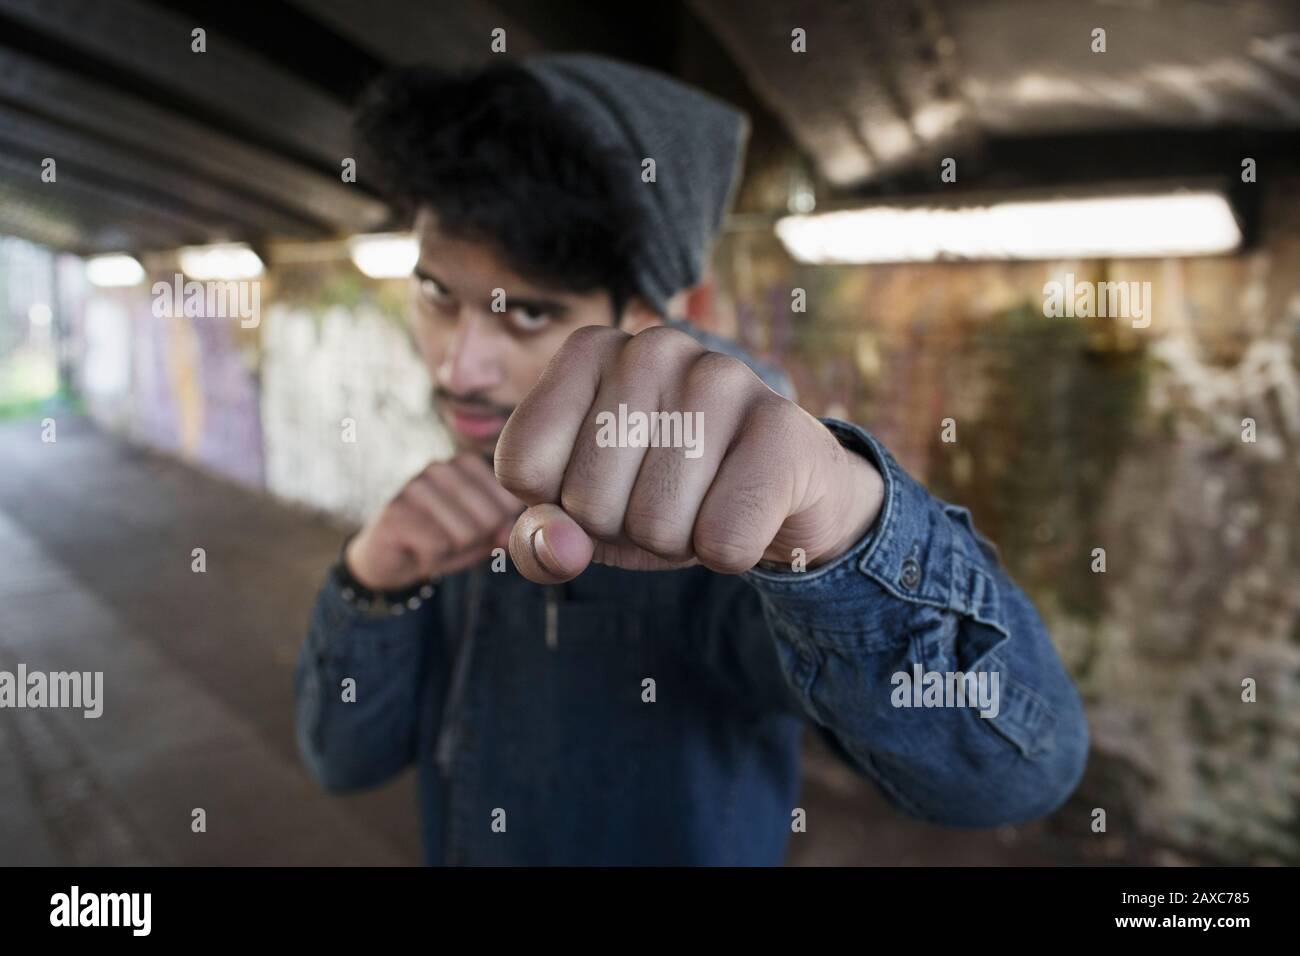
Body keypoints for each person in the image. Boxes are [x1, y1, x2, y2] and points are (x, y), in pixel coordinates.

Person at [293, 54, 1089, 865]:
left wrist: (845, 534)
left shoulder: (725, 540)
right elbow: (344, 758)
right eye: (437, 294)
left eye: (527, 313)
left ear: (652, 314)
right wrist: (373, 585)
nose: (457, 367)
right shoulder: (468, 478)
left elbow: (1010, 775)